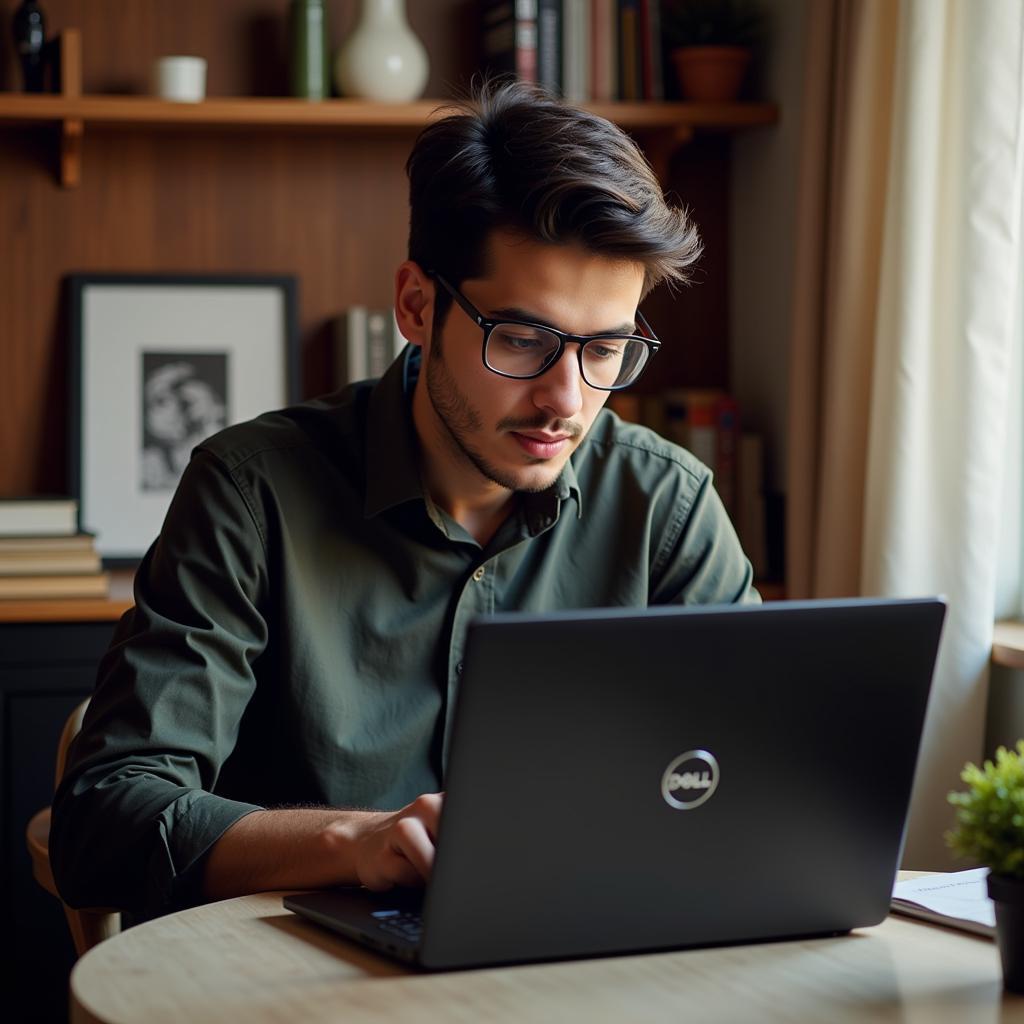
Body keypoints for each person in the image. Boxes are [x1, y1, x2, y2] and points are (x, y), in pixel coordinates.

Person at [51, 80, 759, 923]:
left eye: (606, 349)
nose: (567, 398)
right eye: (525, 340)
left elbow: (754, 790)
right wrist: (355, 843)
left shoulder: (667, 508)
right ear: (418, 306)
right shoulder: (251, 492)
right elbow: (106, 819)